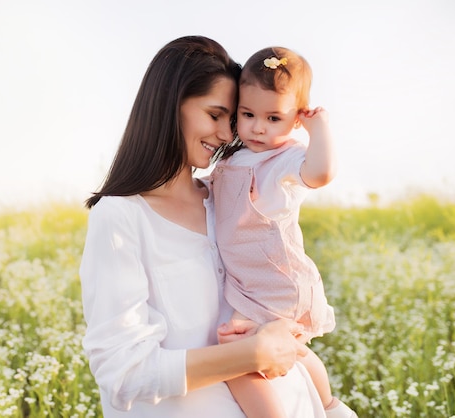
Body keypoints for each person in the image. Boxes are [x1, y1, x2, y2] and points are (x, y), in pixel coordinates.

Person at [79, 36, 328, 417]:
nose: (229, 136)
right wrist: (251, 354)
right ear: (169, 106)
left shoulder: (228, 202)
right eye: (215, 116)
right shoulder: (120, 216)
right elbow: (122, 373)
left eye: (231, 120)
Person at [211, 46, 357, 418]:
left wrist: (319, 128)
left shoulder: (286, 159)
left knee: (237, 359)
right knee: (292, 349)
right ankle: (329, 407)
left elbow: (321, 174)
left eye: (274, 117)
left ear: (296, 121)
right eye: (248, 114)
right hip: (250, 282)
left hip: (276, 281)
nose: (259, 127)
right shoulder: (232, 156)